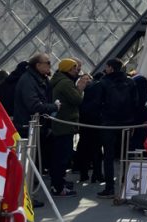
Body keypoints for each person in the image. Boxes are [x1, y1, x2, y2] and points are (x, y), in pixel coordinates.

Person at [97, 59, 138, 198]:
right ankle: (126, 184)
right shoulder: (130, 82)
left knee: (108, 156)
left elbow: (98, 103)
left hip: (108, 123)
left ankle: (109, 188)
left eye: (106, 66)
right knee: (126, 155)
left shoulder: (103, 83)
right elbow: (135, 103)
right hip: (127, 123)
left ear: (110, 68)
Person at [49, 58, 88, 197]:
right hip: (65, 124)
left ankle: (58, 183)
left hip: (60, 123)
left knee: (59, 155)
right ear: (67, 69)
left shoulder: (58, 80)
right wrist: (80, 89)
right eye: (73, 68)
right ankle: (59, 187)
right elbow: (77, 100)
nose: (76, 70)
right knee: (62, 157)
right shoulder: (65, 83)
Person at [13, 54, 60, 136]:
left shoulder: (40, 79)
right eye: (48, 62)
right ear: (38, 65)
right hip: (29, 129)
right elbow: (34, 105)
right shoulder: (28, 80)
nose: (50, 65)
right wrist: (55, 107)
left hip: (37, 127)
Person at [76, 72, 104, 184]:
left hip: (86, 122)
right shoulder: (96, 89)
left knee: (86, 148)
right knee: (94, 149)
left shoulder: (88, 90)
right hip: (92, 122)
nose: (87, 81)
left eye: (88, 79)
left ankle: (86, 174)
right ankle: (95, 174)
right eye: (84, 79)